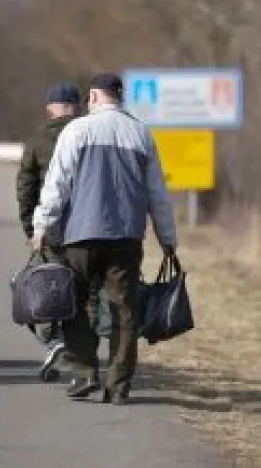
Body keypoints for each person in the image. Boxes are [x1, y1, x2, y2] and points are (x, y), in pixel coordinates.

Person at [32, 73, 177, 405]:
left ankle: (85, 372)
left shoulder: (77, 130)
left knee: (75, 302)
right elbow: (157, 194)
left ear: (95, 97)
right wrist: (167, 236)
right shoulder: (141, 134)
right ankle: (118, 385)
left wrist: (42, 226)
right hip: (126, 237)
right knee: (124, 309)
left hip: (81, 235)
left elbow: (57, 183)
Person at [16, 82, 84, 382]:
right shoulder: (88, 135)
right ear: (77, 107)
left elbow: (25, 186)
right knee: (82, 290)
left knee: (45, 285)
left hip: (50, 228)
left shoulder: (37, 140)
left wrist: (31, 227)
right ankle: (79, 350)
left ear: (49, 109)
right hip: (86, 227)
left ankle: (53, 338)